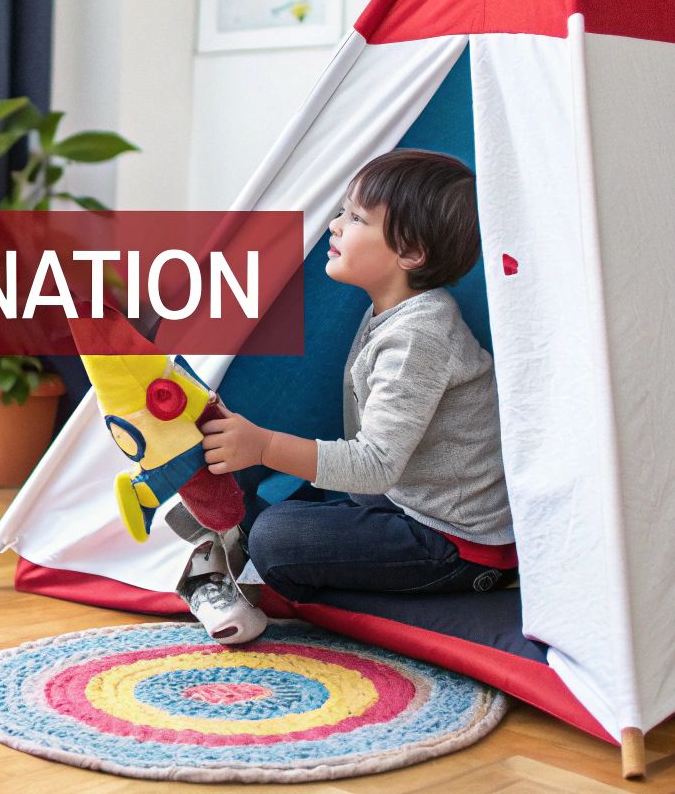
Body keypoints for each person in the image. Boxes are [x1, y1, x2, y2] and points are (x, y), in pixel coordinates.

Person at [175, 150, 514, 642]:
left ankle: (247, 566)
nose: (334, 225)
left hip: (454, 545)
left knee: (277, 537)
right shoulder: (392, 312)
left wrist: (266, 445)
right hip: (399, 507)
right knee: (243, 462)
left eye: (356, 218)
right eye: (342, 212)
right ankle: (226, 542)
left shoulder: (421, 334)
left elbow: (375, 466)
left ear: (411, 253)